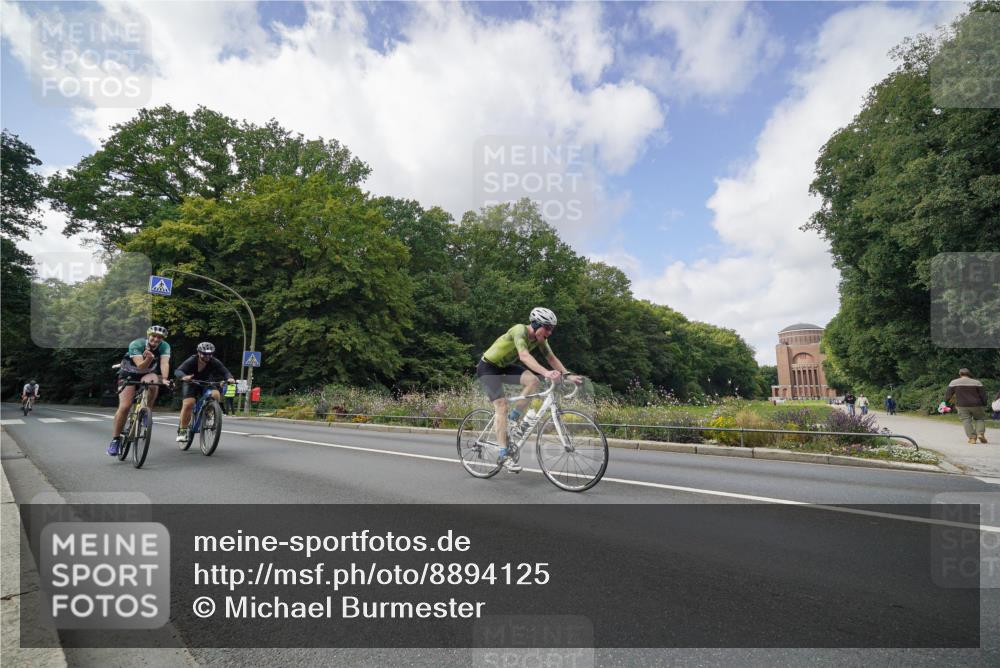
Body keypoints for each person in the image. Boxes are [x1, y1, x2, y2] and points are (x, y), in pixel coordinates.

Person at [476, 307, 578, 472]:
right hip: (488, 367)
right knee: (501, 405)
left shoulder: (540, 340)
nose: (550, 333)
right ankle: (503, 453)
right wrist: (546, 372)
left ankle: (513, 418)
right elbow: (524, 356)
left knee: (534, 381)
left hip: (504, 367)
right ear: (537, 324)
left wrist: (567, 374)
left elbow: (551, 358)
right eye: (548, 328)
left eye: (552, 329)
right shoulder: (519, 330)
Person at [108, 325, 172, 456]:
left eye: (159, 337)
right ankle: (115, 440)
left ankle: (146, 412)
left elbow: (164, 363)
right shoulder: (136, 344)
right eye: (154, 336)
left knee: (154, 381)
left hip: (146, 374)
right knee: (125, 406)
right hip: (128, 374)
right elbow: (140, 366)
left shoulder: (165, 346)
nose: (156, 339)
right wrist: (149, 358)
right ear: (148, 336)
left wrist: (165, 379)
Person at [174, 342, 236, 441]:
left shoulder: (214, 361)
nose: (207, 356)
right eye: (204, 354)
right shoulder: (192, 360)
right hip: (191, 382)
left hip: (206, 382)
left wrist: (230, 378)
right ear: (198, 353)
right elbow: (178, 371)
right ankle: (183, 430)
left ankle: (209, 414)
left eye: (210, 354)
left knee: (215, 394)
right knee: (189, 404)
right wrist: (184, 377)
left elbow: (225, 371)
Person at [944, 368, 989, 444]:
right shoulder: (977, 382)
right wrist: (984, 403)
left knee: (966, 420)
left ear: (960, 374)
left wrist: (945, 403)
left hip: (961, 405)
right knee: (979, 419)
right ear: (969, 374)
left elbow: (948, 395)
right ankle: (980, 434)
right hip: (976, 404)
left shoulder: (954, 382)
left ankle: (972, 438)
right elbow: (983, 395)